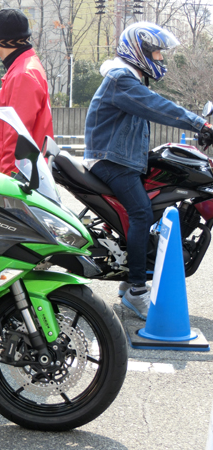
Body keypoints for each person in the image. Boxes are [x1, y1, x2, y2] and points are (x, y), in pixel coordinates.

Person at [83, 22, 213, 320]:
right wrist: (200, 124)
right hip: (110, 161)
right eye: (156, 53)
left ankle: (130, 277)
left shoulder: (127, 79)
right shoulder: (121, 79)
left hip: (119, 159)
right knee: (141, 212)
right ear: (138, 51)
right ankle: (137, 290)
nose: (161, 58)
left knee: (157, 200)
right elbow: (159, 107)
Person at [0, 8, 54, 176]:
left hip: (11, 177)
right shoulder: (25, 68)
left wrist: (7, 181)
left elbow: (16, 139)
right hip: (16, 173)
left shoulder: (22, 75)